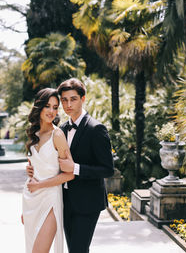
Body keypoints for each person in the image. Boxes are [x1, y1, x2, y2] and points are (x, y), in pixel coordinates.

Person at [27, 78, 114, 253]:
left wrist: (75, 168)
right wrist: (34, 167)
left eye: (73, 99)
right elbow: (55, 162)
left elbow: (107, 169)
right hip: (64, 200)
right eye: (64, 100)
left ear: (83, 99)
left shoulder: (96, 129)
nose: (68, 104)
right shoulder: (62, 129)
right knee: (74, 249)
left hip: (88, 202)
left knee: (78, 250)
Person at [22, 88, 75, 253]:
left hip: (50, 199)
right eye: (48, 106)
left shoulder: (57, 135)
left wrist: (40, 185)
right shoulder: (34, 133)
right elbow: (37, 165)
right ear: (39, 107)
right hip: (31, 199)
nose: (52, 111)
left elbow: (70, 173)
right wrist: (31, 171)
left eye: (55, 107)